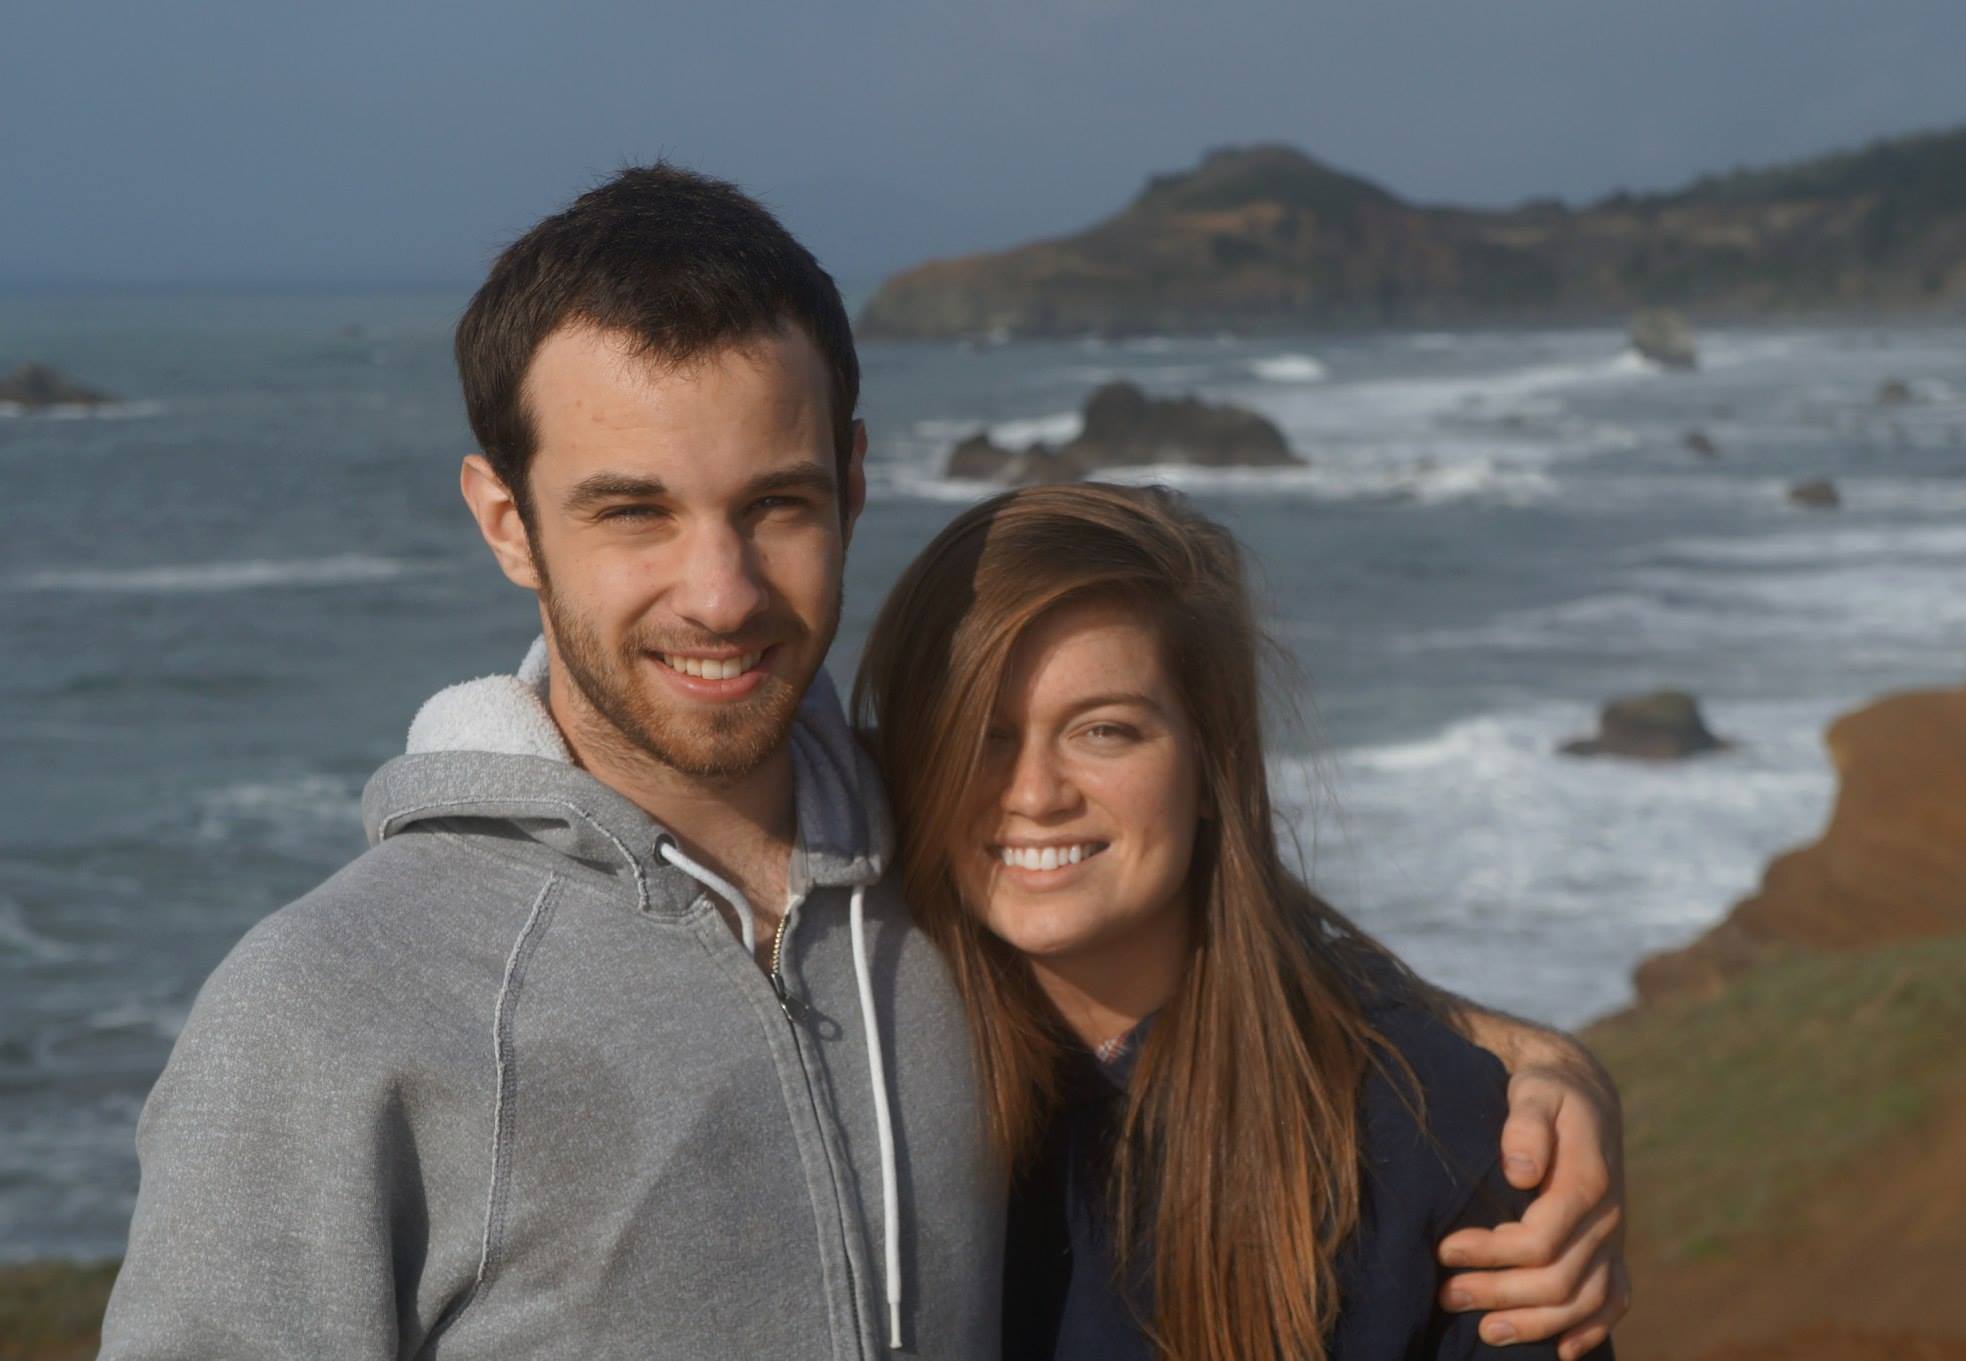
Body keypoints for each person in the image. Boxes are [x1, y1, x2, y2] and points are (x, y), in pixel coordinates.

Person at [100, 166, 1623, 1358]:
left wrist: (1520, 1068)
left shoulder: (943, 856)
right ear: (507, 520)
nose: (721, 592)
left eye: (775, 503)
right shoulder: (327, 1008)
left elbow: (1191, 933)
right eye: (633, 511)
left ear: (856, 480)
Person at [855, 483, 1623, 1360]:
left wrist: (1554, 1073)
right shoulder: (859, 1086)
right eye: (981, 734)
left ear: (1213, 761)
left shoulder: (1422, 1131)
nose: (1034, 793)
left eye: (1103, 731)